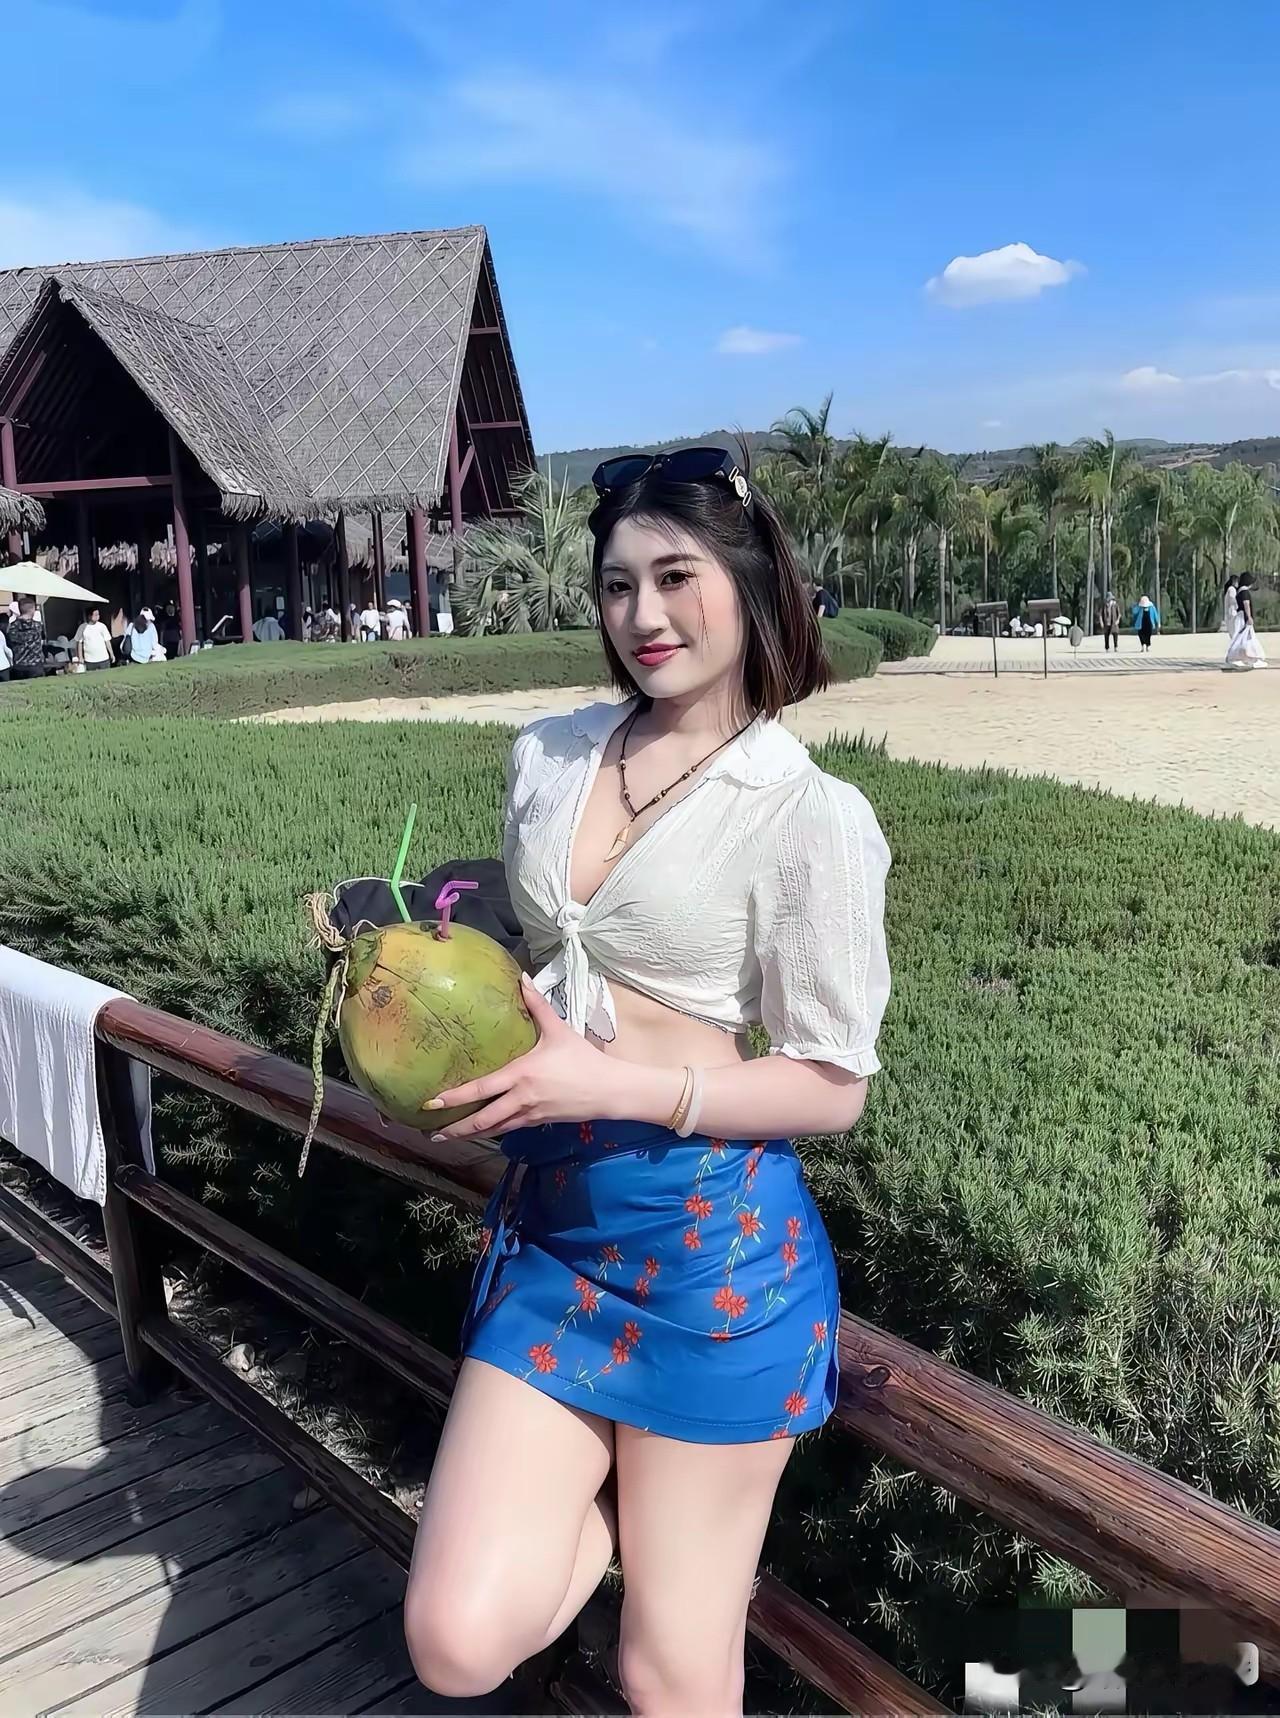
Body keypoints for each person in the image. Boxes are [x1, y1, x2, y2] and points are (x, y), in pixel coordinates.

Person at [402, 445, 892, 1712]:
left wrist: (623, 1086)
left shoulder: (805, 811)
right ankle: (639, 1495)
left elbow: (830, 1084)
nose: (643, 614)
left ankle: (667, 1498)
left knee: (667, 1671)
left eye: (675, 576)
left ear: (748, 579)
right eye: (617, 584)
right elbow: (533, 949)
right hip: (553, 1235)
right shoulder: (549, 754)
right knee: (455, 1637)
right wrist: (404, 960)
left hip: (709, 1258)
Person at [1225, 576, 1267, 670]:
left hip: (1241, 617)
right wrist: (1249, 617)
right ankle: (1255, 659)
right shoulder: (1245, 592)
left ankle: (1242, 657)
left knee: (1242, 638)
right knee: (1248, 638)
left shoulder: (1240, 592)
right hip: (1244, 618)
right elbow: (1246, 604)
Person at [7, 596, 46, 680]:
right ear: (32, 610)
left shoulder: (12, 627)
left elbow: (9, 643)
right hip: (35, 665)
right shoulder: (38, 626)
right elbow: (43, 638)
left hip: (19, 665)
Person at [77, 605, 114, 671]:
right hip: (89, 660)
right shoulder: (82, 628)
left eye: (98, 614)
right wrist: (80, 657)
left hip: (103, 659)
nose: (98, 616)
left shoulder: (102, 626)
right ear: (89, 616)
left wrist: (111, 654)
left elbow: (107, 641)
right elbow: (79, 643)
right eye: (95, 615)